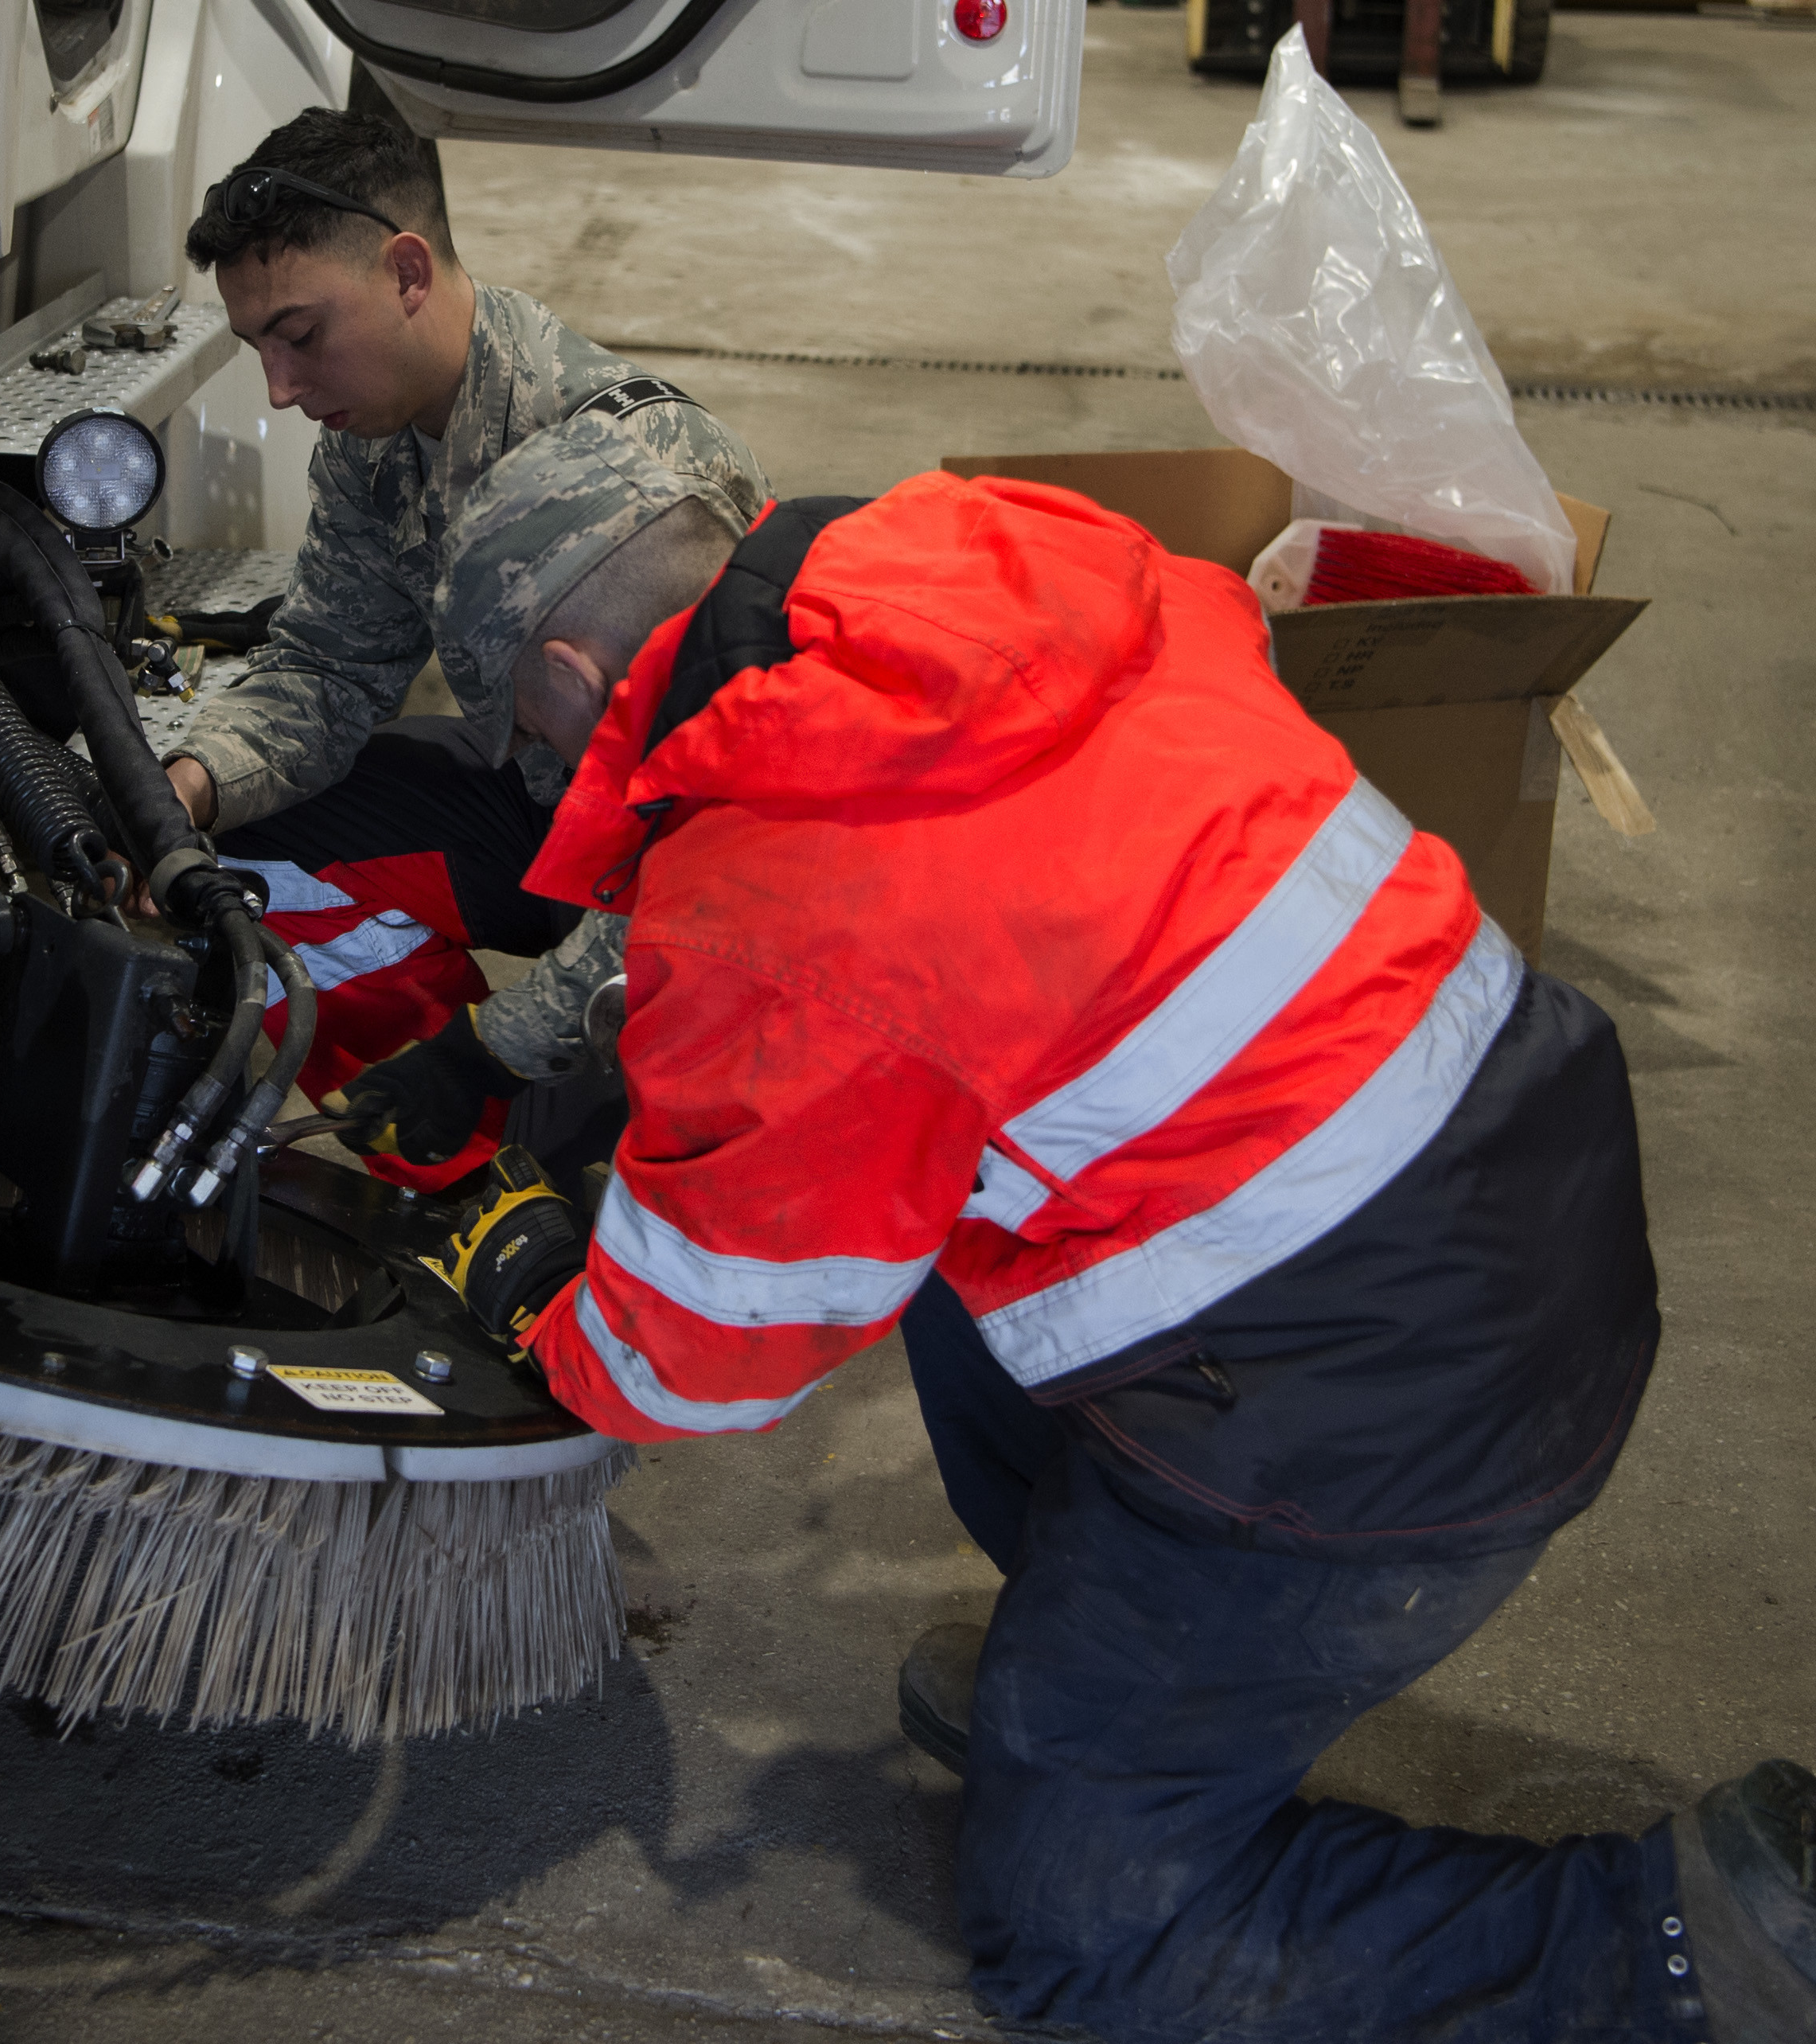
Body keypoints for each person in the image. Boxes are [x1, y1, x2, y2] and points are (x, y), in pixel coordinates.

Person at [428, 423, 1816, 2043]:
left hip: (1386, 1416)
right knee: (943, 1214)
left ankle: (1694, 1943)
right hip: (1529, 1168)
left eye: (518, 718)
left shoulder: (775, 902)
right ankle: (1103, 1682)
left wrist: (547, 1286)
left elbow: (706, 1365)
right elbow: (956, 982)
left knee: (1081, 1950)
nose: (530, 759)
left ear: (578, 666)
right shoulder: (991, 559)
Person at [165, 108, 767, 1188]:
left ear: (406, 272)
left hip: (703, 887)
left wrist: (490, 1051)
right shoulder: (375, 436)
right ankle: (448, 1181)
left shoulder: (639, 473)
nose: (280, 390)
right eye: (258, 348)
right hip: (549, 818)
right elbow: (332, 667)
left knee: (643, 1145)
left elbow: (720, 864)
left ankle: (531, 1174)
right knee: (240, 853)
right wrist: (188, 785)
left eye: (299, 335)